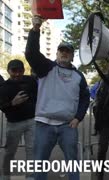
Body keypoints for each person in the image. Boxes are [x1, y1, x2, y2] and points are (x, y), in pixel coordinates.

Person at [25, 16, 90, 180]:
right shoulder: (46, 68)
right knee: (39, 164)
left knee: (72, 163)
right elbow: (31, 53)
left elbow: (85, 98)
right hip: (44, 124)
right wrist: (35, 29)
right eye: (61, 50)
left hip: (68, 126)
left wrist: (78, 118)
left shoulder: (78, 76)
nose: (64, 53)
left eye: (67, 51)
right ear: (57, 53)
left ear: (72, 55)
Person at [0, 59, 37, 180]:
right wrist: (12, 103)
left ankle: (31, 176)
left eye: (19, 71)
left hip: (31, 121)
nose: (16, 74)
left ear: (23, 70)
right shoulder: (4, 87)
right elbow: (2, 107)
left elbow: (38, 96)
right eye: (13, 71)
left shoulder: (30, 81)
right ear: (8, 71)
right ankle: (5, 175)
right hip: (14, 123)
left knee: (32, 150)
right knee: (10, 151)